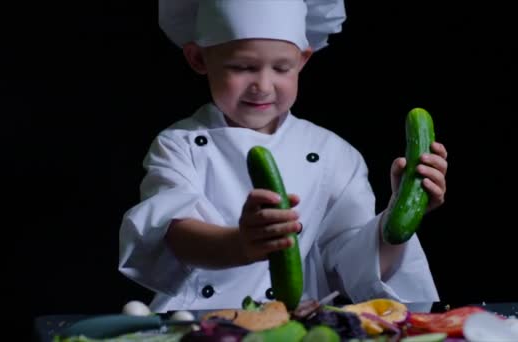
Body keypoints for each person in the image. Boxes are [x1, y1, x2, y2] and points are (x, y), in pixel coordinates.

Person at [118, 0, 448, 313]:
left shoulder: (334, 153)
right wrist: (240, 244)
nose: (263, 85)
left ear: (303, 59)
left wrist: (396, 220)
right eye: (242, 67)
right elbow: (172, 236)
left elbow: (352, 268)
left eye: (281, 68)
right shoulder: (178, 145)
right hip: (194, 321)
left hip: (296, 324)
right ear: (198, 59)